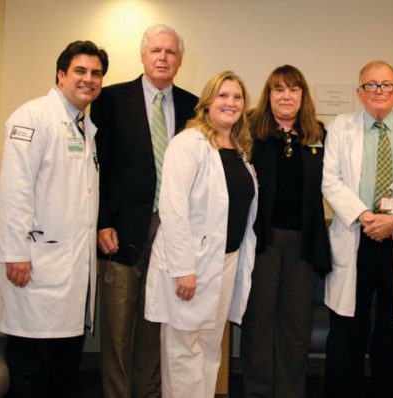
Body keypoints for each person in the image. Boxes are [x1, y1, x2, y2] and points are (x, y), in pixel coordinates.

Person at [0, 40, 108, 397]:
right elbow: (14, 189)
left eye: (96, 73)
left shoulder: (84, 127)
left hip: (68, 269)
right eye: (80, 71)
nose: (89, 79)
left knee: (62, 365)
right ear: (60, 75)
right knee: (31, 367)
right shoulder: (33, 117)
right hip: (35, 264)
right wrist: (16, 252)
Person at [90, 24, 198, 398]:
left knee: (156, 322)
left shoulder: (193, 105)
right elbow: (96, 165)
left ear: (180, 61)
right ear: (142, 55)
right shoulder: (110, 99)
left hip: (170, 230)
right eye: (155, 51)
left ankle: (148, 393)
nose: (162, 58)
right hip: (121, 230)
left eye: (170, 52)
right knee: (118, 330)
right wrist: (103, 222)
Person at [322, 60, 393, 398]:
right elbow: (330, 180)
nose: (379, 91)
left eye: (386, 85)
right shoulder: (339, 127)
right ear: (359, 92)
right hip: (357, 235)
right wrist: (364, 216)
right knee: (347, 330)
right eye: (371, 85)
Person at [144, 71, 257, 398]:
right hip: (192, 265)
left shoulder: (238, 149)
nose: (231, 103)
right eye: (223, 96)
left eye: (237, 97)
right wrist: (184, 269)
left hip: (225, 263)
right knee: (183, 352)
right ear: (207, 102)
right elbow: (173, 210)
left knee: (209, 349)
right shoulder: (187, 144)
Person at [241, 65, 331, 398]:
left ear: (303, 96)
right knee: (259, 325)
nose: (286, 95)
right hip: (263, 243)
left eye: (294, 89)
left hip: (303, 245)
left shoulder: (318, 134)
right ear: (269, 95)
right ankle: (258, 392)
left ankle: (291, 393)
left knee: (296, 328)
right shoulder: (249, 131)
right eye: (278, 89)